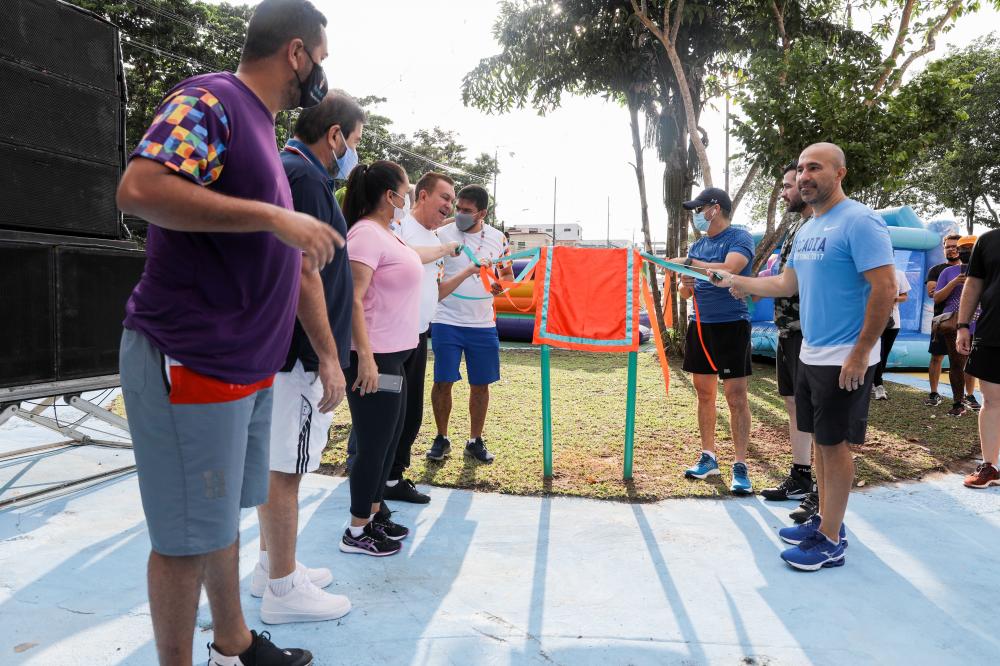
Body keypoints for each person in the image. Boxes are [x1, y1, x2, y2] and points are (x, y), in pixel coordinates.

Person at [115, 1, 339, 663]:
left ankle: (234, 641)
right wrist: (273, 218)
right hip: (193, 357)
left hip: (245, 364)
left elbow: (282, 260)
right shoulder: (211, 100)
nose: (320, 77)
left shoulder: (260, 129)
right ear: (296, 53)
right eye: (320, 60)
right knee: (184, 539)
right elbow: (138, 187)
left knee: (218, 520)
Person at [713, 142, 896, 571]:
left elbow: (886, 289)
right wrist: (735, 281)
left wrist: (860, 354)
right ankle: (826, 522)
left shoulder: (860, 221)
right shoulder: (810, 227)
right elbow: (785, 284)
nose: (806, 175)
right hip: (811, 352)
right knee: (820, 445)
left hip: (844, 357)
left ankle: (830, 540)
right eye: (801, 168)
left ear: (840, 173)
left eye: (816, 167)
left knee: (834, 447)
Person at [249, 91, 365, 625]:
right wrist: (328, 357)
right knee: (286, 469)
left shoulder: (295, 173)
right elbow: (304, 271)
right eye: (355, 142)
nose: (354, 155)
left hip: (288, 353)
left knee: (279, 463)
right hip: (298, 357)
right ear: (335, 135)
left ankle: (273, 564)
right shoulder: (307, 178)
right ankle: (282, 590)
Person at [339, 160, 423, 556]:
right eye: (405, 192)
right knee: (373, 444)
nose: (406, 199)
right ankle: (356, 531)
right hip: (375, 359)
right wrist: (367, 360)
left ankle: (373, 514)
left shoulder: (388, 234)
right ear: (390, 196)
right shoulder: (365, 236)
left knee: (389, 440)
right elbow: (352, 298)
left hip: (397, 357)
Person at [384, 172, 481, 502]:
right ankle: (369, 482)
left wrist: (468, 271)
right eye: (445, 198)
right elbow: (408, 255)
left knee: (410, 413)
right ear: (421, 196)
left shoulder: (434, 237)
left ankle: (393, 478)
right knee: (386, 411)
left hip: (418, 334)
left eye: (452, 202)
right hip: (390, 339)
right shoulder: (400, 229)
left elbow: (435, 291)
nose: (449, 206)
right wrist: (443, 246)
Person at [672, 187, 756, 495]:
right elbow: (685, 292)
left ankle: (740, 465)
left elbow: (729, 270)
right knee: (704, 395)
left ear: (715, 208)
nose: (697, 216)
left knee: (736, 397)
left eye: (699, 209)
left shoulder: (739, 238)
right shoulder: (697, 246)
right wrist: (685, 280)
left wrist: (687, 265)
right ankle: (708, 457)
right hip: (700, 326)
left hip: (732, 325)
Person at [427, 184, 513, 464]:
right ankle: (441, 438)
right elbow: (434, 279)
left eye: (467, 211)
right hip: (446, 318)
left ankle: (475, 441)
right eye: (458, 208)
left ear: (483, 213)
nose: (460, 214)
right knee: (443, 381)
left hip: (482, 324)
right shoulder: (441, 235)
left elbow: (508, 277)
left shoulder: (498, 239)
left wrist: (502, 286)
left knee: (481, 384)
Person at [761, 162, 815, 509]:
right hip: (788, 329)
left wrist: (743, 283)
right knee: (794, 404)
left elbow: (789, 281)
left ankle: (821, 495)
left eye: (787, 186)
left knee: (814, 410)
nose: (783, 193)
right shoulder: (798, 226)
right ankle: (801, 475)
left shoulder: (821, 226)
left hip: (811, 333)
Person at [958, 230, 1000, 488]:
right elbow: (973, 284)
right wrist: (963, 325)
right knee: (992, 400)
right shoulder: (988, 240)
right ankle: (990, 466)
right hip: (992, 331)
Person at [934, 235, 980, 417]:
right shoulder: (948, 272)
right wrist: (955, 282)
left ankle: (978, 399)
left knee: (978, 364)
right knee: (956, 363)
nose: (966, 252)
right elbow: (937, 298)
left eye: (971, 248)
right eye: (963, 249)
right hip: (955, 324)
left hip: (983, 324)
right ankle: (957, 402)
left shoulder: (989, 271)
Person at [924, 234, 962, 406]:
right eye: (948, 246)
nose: (951, 249)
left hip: (968, 323)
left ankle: (968, 395)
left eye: (955, 246)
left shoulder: (973, 269)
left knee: (966, 361)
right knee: (937, 357)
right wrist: (954, 282)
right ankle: (934, 393)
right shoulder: (937, 270)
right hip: (943, 322)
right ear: (943, 249)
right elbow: (933, 294)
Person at [871, 267, 911, 400]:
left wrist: (894, 298)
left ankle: (874, 381)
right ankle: (878, 385)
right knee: (878, 352)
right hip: (872, 320)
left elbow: (905, 296)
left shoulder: (899, 274)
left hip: (892, 321)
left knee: (884, 354)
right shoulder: (870, 272)